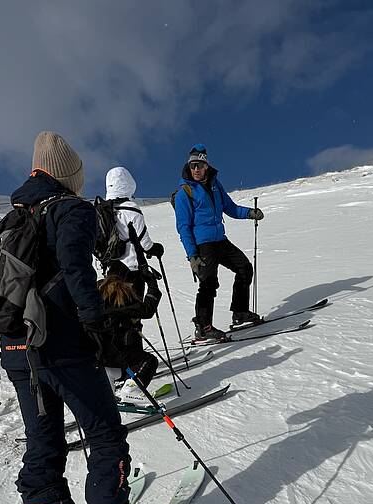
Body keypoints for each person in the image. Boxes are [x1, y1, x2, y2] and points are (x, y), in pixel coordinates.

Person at [0, 131, 150, 504]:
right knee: (104, 435)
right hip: (61, 345)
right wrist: (97, 327)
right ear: (69, 177)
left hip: (15, 349)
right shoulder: (70, 210)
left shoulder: (10, 218)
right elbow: (77, 270)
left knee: (43, 445)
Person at [174, 143, 264, 341]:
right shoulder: (185, 193)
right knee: (208, 283)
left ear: (206, 166)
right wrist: (192, 255)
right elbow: (183, 227)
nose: (196, 169)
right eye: (193, 166)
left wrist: (249, 213)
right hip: (203, 244)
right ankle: (203, 326)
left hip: (220, 240)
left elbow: (229, 207)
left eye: (200, 165)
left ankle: (240, 312)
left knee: (244, 268)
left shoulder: (215, 185)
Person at [98, 258, 163, 404]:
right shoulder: (119, 293)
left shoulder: (96, 290)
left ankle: (107, 385)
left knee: (110, 363)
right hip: (116, 350)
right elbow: (147, 310)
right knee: (149, 361)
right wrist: (152, 284)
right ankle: (131, 390)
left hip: (95, 351)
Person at [104, 166, 164, 296]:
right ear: (128, 184)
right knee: (133, 307)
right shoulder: (132, 209)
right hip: (132, 268)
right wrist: (156, 249)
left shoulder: (105, 210)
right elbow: (145, 244)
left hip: (112, 268)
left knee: (115, 306)